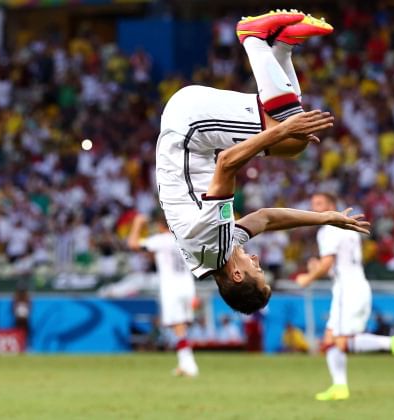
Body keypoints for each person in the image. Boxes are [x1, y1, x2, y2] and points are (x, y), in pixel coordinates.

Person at [155, 10, 370, 315]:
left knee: (290, 131)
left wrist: (282, 129)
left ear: (238, 275)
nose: (257, 262)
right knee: (293, 143)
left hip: (190, 125)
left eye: (257, 271)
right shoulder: (217, 253)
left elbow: (227, 163)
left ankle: (253, 38)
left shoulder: (213, 242)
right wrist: (325, 218)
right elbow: (266, 218)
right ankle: (283, 44)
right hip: (190, 128)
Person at [296, 192, 394, 401]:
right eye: (313, 204)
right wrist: (321, 269)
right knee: (330, 338)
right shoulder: (347, 227)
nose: (315, 208)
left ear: (332, 205)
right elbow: (338, 263)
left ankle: (392, 343)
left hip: (347, 289)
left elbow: (328, 263)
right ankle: (339, 387)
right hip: (354, 284)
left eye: (320, 203)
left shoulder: (327, 229)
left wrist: (308, 277)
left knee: (341, 341)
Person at [128, 213, 199, 377]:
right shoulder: (184, 238)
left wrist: (138, 223)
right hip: (187, 285)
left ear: (161, 226)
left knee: (177, 324)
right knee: (180, 325)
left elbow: (132, 244)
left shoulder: (161, 239)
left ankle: (189, 364)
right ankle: (184, 362)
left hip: (172, 286)